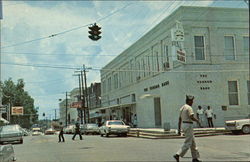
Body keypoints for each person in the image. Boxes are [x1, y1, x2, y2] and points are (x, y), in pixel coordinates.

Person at [173, 95, 202, 162]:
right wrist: (197, 121)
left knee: (193, 143)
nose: (192, 102)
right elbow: (191, 116)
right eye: (191, 101)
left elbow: (179, 119)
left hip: (184, 124)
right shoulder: (189, 108)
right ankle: (177, 154)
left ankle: (195, 158)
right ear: (189, 101)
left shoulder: (182, 108)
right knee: (188, 142)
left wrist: (179, 129)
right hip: (188, 125)